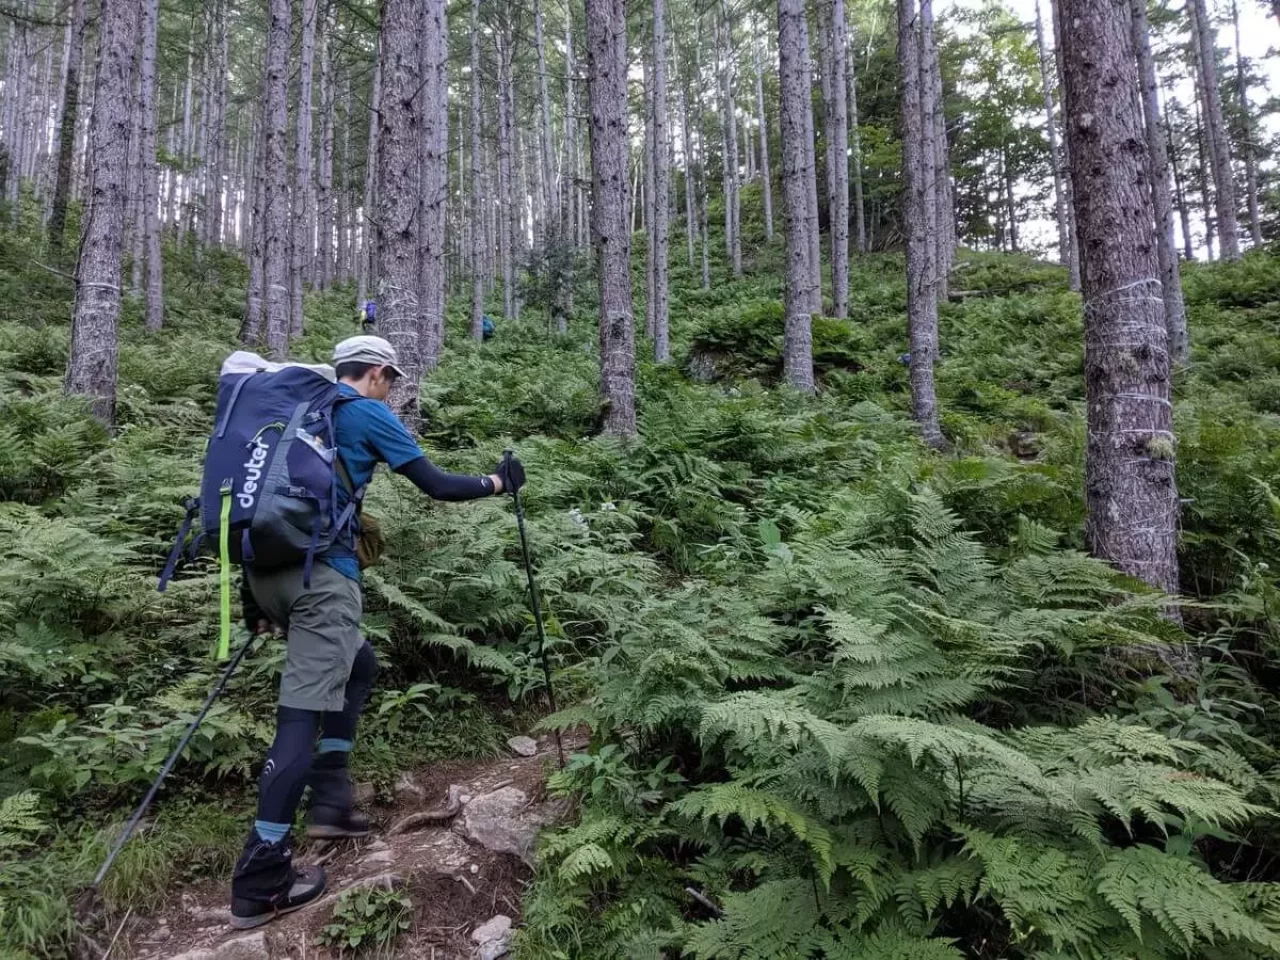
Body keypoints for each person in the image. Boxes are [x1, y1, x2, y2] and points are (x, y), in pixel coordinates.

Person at [230, 335, 525, 929]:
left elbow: (251, 498)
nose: (393, 388)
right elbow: (436, 485)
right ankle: (260, 881)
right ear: (376, 373)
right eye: (392, 379)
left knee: (358, 664)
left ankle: (332, 795)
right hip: (322, 581)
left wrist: (252, 599)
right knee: (298, 717)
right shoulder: (364, 410)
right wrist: (499, 483)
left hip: (265, 573)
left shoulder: (294, 414)